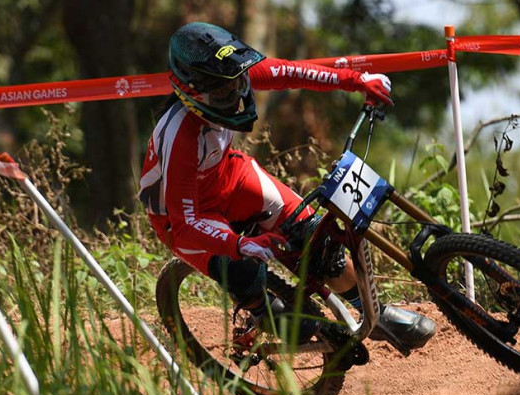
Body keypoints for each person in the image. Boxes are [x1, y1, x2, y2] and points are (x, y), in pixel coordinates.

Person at [140, 22, 435, 350]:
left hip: (229, 179)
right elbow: (186, 224)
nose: (236, 94)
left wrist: (357, 80)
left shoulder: (229, 72)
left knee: (316, 241)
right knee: (263, 292)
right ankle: (260, 318)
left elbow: (292, 73)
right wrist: (241, 245)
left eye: (238, 84)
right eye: (223, 93)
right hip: (183, 218)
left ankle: (375, 315)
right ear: (192, 91)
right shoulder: (181, 135)